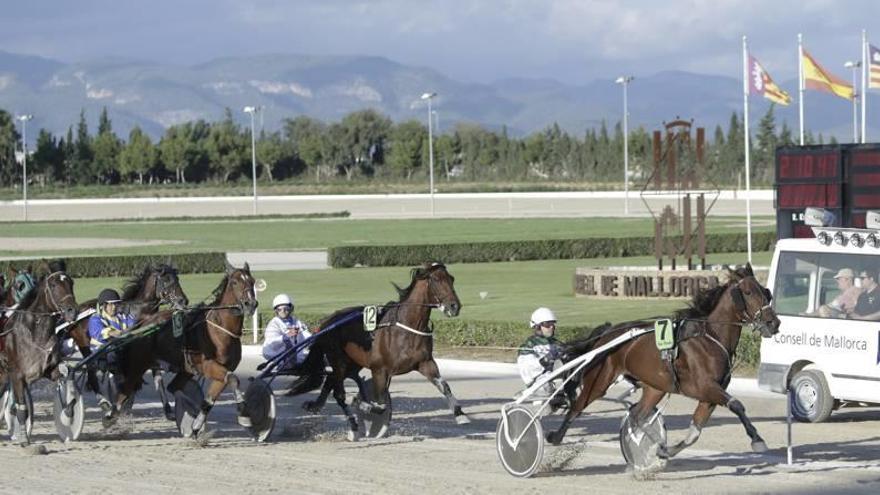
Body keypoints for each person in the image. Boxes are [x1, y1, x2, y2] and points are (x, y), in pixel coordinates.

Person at [517, 307, 563, 396]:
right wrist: (545, 360)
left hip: (557, 382)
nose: (552, 327)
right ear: (537, 326)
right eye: (547, 324)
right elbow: (527, 370)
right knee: (547, 385)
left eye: (552, 324)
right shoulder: (529, 345)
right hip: (539, 386)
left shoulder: (557, 343)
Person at [262, 293, 311, 369]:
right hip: (275, 352)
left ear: (291, 309)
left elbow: (305, 334)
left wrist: (313, 338)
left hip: (293, 352)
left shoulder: (296, 321)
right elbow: (271, 342)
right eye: (280, 309)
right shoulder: (274, 323)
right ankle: (283, 364)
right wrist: (286, 336)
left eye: (286, 309)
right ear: (276, 311)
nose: (283, 311)